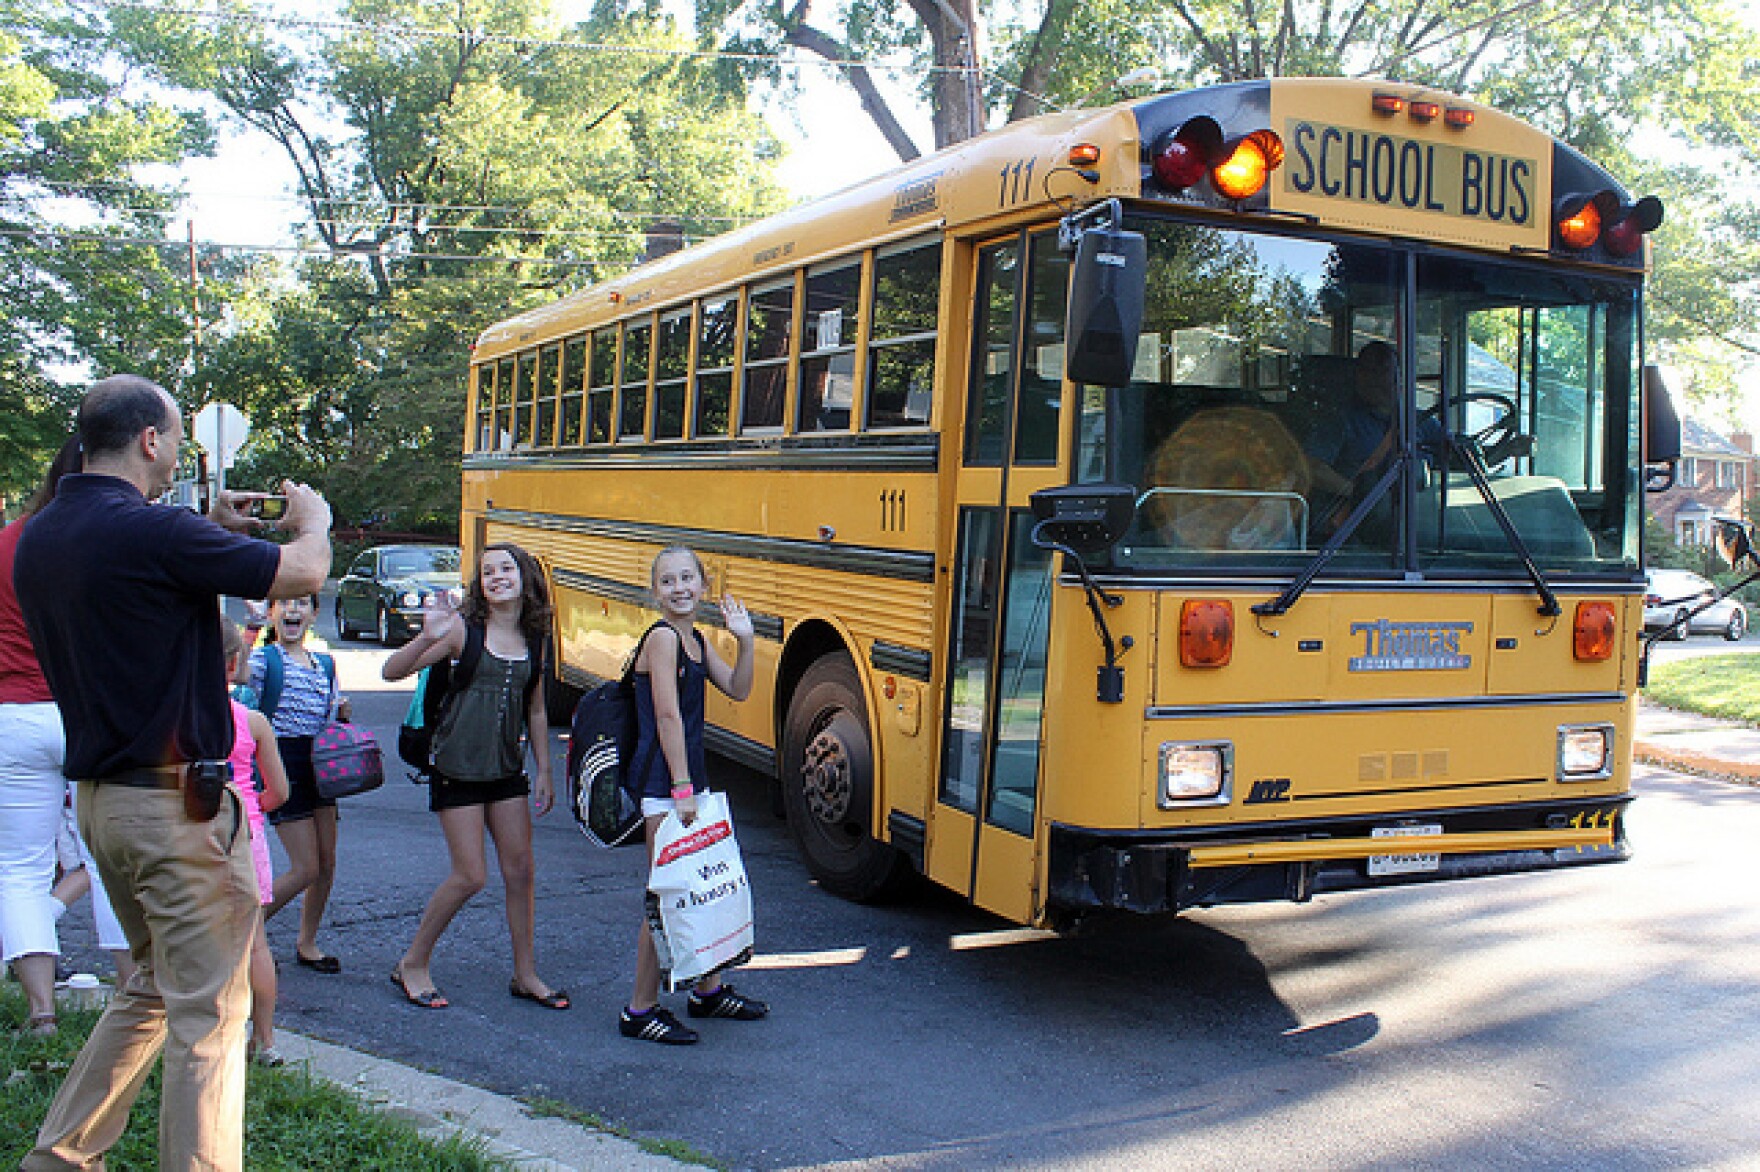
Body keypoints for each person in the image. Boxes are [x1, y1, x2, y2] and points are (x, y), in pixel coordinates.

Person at [14, 374, 331, 1171]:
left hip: (101, 808)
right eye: (176, 437)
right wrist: (314, 520)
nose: (178, 452)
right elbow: (301, 573)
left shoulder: (45, 535)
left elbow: (151, 569)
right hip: (176, 808)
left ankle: (60, 1156)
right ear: (149, 441)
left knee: (155, 987)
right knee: (211, 1018)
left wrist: (206, 528)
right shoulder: (154, 536)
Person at [380, 542, 566, 1012]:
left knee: (521, 872)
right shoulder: (464, 631)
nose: (497, 576)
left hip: (505, 771)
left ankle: (525, 974)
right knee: (470, 876)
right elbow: (390, 671)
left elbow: (538, 708)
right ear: (479, 584)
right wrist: (426, 637)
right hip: (456, 769)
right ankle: (413, 963)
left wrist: (544, 769)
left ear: (525, 577)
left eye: (506, 568)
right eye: (488, 571)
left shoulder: (536, 638)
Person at [0, 437, 125, 1038]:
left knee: (20, 868)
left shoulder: (7, 543)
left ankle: (41, 1012)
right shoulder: (102, 543)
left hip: (15, 718)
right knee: (107, 858)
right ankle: (134, 998)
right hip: (83, 713)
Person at [619, 545, 764, 1046]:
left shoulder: (695, 638)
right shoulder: (662, 639)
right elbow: (666, 717)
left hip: (688, 781)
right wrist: (682, 788)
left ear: (703, 585)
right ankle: (638, 1009)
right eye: (668, 580)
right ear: (655, 590)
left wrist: (745, 642)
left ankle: (707, 990)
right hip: (665, 783)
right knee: (667, 894)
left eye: (688, 578)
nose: (680, 588)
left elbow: (739, 689)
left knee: (703, 884)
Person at [248, 593, 349, 973]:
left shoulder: (324, 663)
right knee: (304, 867)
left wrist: (342, 712)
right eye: (284, 603)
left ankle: (307, 942)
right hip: (282, 760)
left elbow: (331, 709)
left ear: (314, 613)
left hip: (322, 762)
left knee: (326, 863)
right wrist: (252, 628)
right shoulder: (264, 659)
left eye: (302, 603)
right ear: (273, 611)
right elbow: (236, 677)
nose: (293, 610)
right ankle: (245, 932)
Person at [221, 618, 291, 1066]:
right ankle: (264, 1041)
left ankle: (211, 1033)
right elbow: (280, 792)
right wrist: (252, 808)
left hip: (195, 833)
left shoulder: (174, 718)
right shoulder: (253, 721)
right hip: (246, 834)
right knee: (255, 944)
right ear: (234, 663)